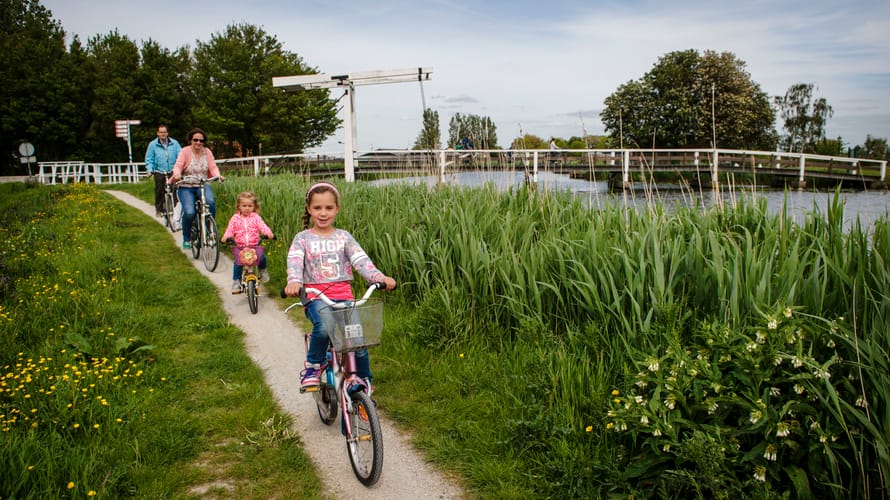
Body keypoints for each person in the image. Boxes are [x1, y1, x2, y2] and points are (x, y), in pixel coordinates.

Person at [284, 182, 397, 390]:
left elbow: (361, 261)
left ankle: (362, 383)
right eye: (317, 208)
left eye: (329, 208)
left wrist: (379, 277)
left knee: (357, 340)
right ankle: (314, 365)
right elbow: (295, 261)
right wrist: (294, 281)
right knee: (325, 328)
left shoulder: (344, 237)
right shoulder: (302, 239)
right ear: (309, 209)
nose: (323, 213)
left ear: (337, 208)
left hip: (344, 297)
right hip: (316, 297)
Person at [169, 128, 223, 249]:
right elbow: (178, 166)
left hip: (202, 185)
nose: (198, 142)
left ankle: (210, 230)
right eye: (195, 140)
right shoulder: (185, 151)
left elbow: (213, 167)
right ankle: (187, 238)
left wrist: (218, 176)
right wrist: (177, 174)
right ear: (190, 140)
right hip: (186, 186)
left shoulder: (207, 152)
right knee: (189, 211)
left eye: (201, 140)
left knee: (210, 202)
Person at [222, 191, 275, 294]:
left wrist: (268, 233)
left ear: (254, 206)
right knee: (238, 262)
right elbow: (230, 230)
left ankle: (262, 270)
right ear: (239, 206)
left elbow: (262, 226)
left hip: (254, 245)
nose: (247, 208)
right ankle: (236, 281)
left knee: (262, 257)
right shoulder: (235, 219)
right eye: (244, 205)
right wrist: (226, 237)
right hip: (240, 246)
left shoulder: (255, 217)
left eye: (250, 206)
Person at [144, 125, 181, 217]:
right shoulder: (153, 145)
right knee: (159, 189)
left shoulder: (175, 143)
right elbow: (149, 159)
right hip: (159, 170)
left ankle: (177, 209)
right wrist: (150, 170)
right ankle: (159, 209)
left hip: (172, 171)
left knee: (176, 188)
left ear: (167, 133)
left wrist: (179, 169)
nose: (163, 134)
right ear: (157, 133)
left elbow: (180, 156)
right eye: (161, 132)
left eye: (164, 132)